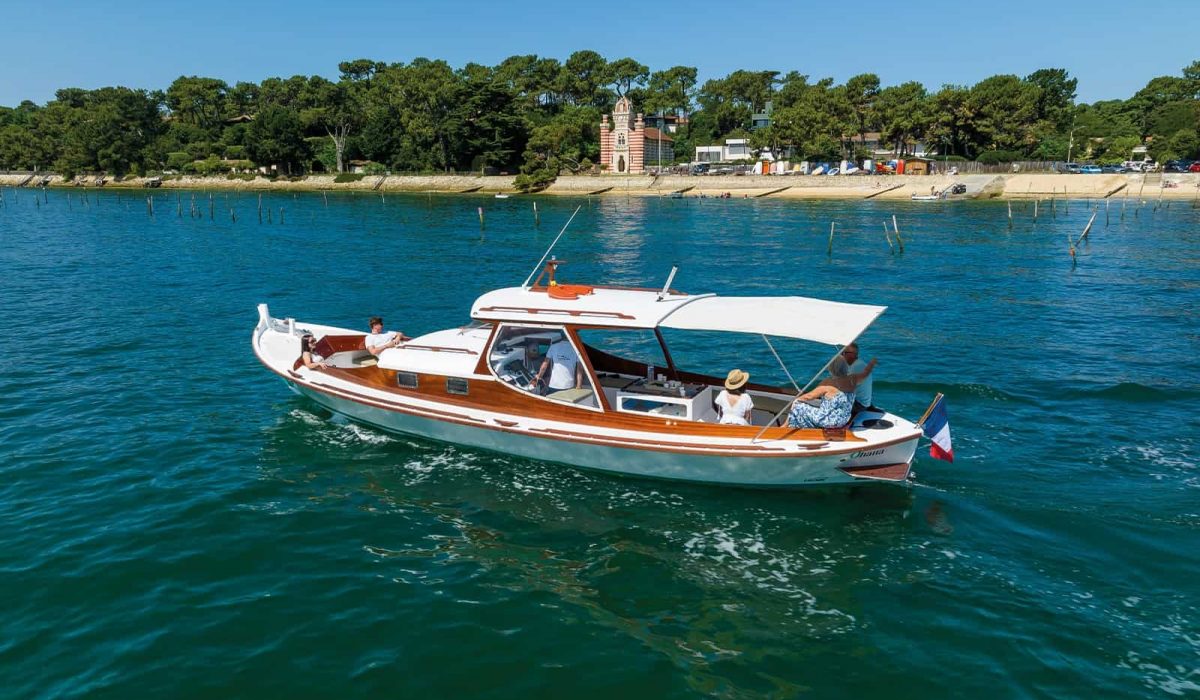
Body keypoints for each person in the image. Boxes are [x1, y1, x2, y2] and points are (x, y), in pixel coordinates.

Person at [790, 358, 877, 428]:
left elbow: (809, 396)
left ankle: (786, 427)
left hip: (828, 422)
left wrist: (797, 399)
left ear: (831, 369)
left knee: (797, 405)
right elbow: (865, 374)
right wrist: (871, 365)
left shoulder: (828, 382)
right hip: (843, 420)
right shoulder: (853, 379)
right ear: (846, 368)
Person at [834, 342, 879, 414]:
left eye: (843, 352)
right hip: (866, 403)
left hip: (859, 405)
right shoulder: (860, 363)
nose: (841, 355)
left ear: (852, 354)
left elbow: (843, 388)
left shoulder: (855, 368)